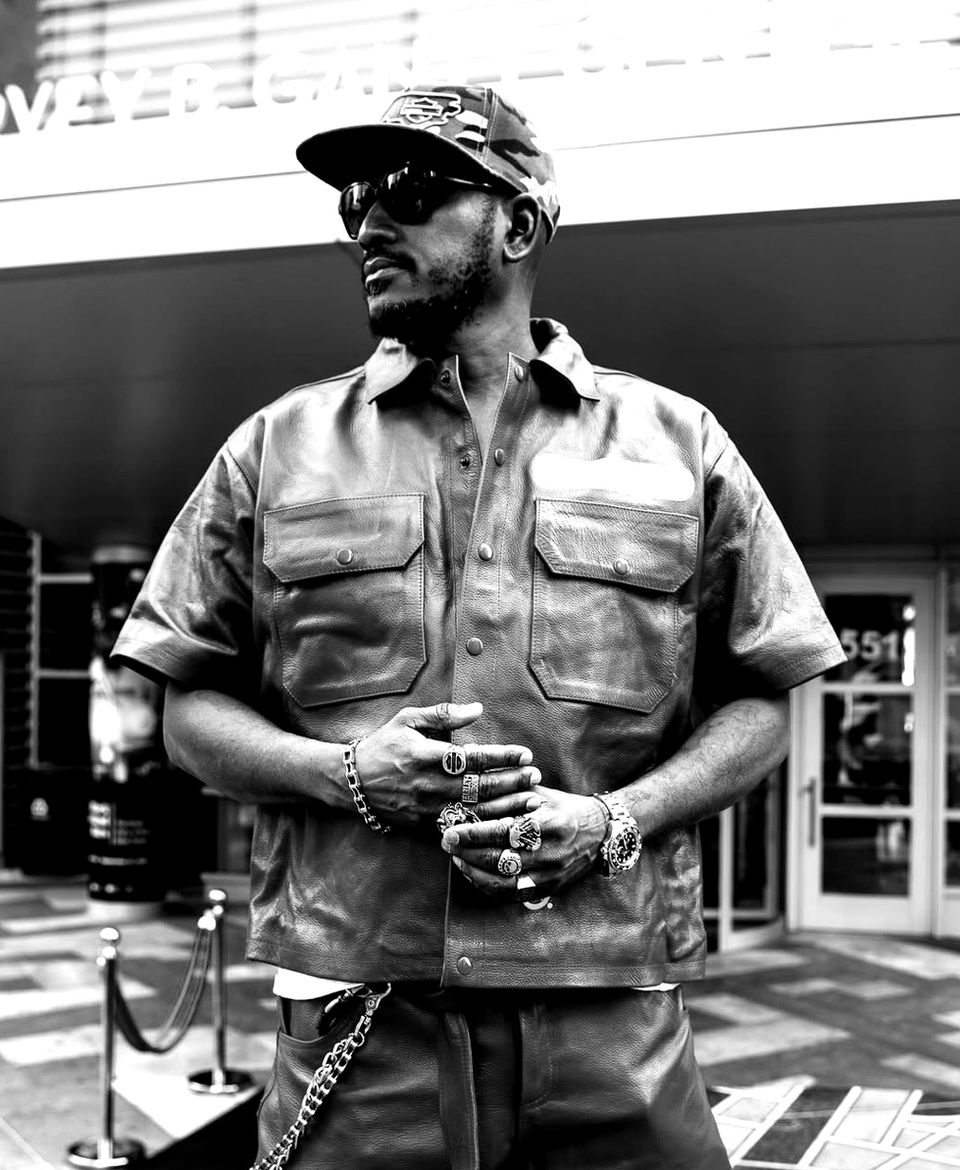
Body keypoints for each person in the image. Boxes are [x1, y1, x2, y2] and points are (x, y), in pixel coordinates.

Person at [112, 84, 846, 1170]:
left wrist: (615, 821)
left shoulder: (676, 442)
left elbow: (763, 702)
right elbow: (187, 710)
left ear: (518, 221)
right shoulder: (274, 447)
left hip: (614, 1022)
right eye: (356, 197)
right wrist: (346, 772)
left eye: (410, 188)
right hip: (362, 1027)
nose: (370, 221)